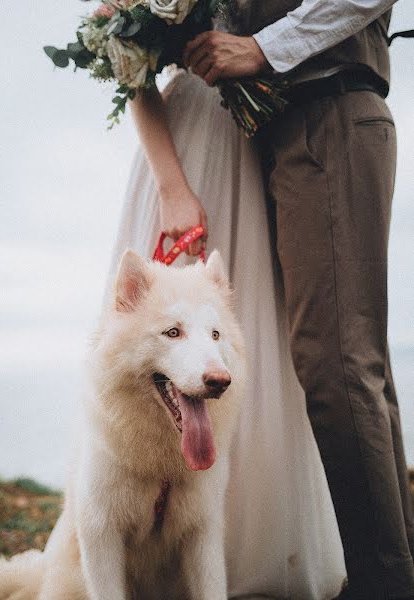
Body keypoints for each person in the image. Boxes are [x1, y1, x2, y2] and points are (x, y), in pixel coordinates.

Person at [183, 1, 414, 599]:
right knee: (353, 362)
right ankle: (392, 576)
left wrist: (263, 49)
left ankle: (382, 585)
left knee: (337, 363)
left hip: (329, 113)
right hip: (290, 126)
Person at [105, 67, 347, 600]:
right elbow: (131, 67)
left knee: (244, 340)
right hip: (188, 150)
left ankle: (254, 551)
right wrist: (172, 187)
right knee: (158, 336)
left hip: (273, 142)